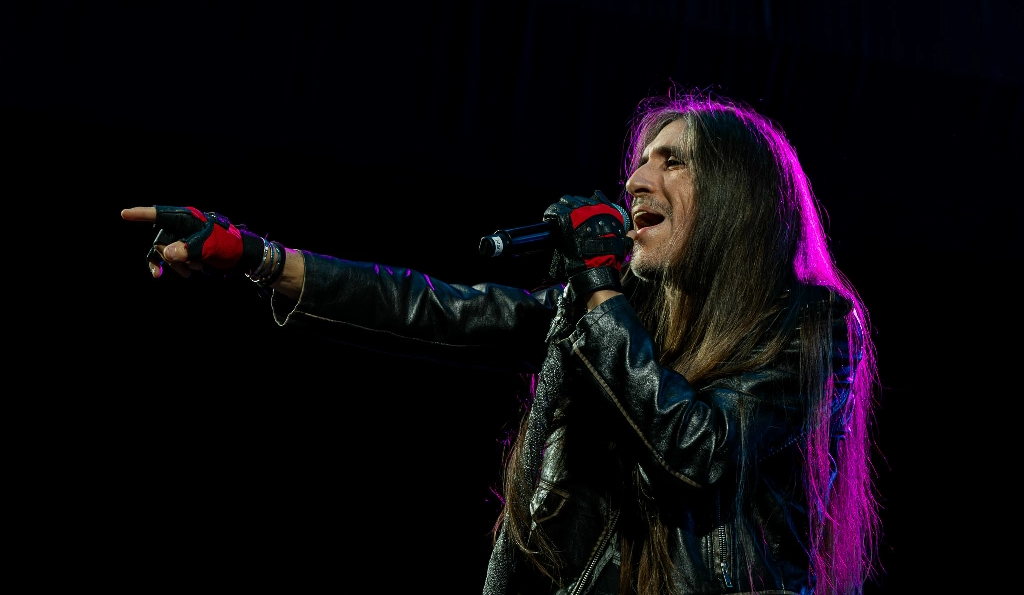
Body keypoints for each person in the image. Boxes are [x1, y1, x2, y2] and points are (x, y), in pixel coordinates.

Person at [122, 88, 881, 595]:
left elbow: (699, 449)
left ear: (735, 198)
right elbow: (437, 310)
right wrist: (256, 257)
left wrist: (600, 293)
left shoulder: (811, 326)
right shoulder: (617, 314)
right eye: (639, 162)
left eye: (672, 161)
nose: (635, 182)